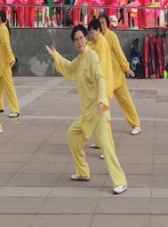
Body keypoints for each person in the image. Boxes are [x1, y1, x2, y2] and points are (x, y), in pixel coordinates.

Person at [46, 25, 128, 195]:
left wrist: (102, 100)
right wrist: (56, 55)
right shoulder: (81, 58)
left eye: (81, 38)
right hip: (87, 113)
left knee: (105, 145)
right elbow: (69, 69)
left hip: (99, 110)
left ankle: (120, 181)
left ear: (86, 38)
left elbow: (100, 78)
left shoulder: (92, 56)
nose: (79, 41)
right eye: (76, 39)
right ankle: (83, 172)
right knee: (72, 135)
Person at [89, 18, 141, 135]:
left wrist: (126, 67)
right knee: (101, 107)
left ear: (107, 24)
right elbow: (90, 45)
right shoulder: (99, 38)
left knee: (125, 101)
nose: (102, 25)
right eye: (100, 23)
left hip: (116, 75)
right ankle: (100, 139)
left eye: (104, 23)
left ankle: (136, 124)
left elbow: (119, 52)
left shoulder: (111, 36)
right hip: (107, 78)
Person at [0, 10, 20, 118]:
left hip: (5, 64)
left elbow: (6, 45)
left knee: (9, 87)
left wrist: (11, 58)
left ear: (0, 18)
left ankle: (15, 109)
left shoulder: (4, 30)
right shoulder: (1, 29)